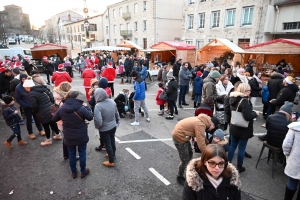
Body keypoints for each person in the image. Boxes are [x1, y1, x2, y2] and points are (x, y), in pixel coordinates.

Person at [53, 90, 93, 179]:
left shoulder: (62, 108)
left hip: (68, 135)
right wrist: (87, 108)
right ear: (76, 98)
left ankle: (74, 173)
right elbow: (90, 117)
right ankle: (83, 171)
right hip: (81, 135)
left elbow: (54, 118)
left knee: (72, 154)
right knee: (82, 153)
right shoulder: (81, 108)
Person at [172, 114, 215, 185]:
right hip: (179, 137)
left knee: (190, 153)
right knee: (185, 160)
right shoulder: (201, 125)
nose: (211, 130)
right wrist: (207, 155)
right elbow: (200, 143)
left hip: (183, 135)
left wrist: (208, 143)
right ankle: (179, 177)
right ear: (211, 124)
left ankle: (189, 169)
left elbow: (201, 136)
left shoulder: (203, 121)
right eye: (212, 128)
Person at [228, 83, 259, 172]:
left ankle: (228, 163)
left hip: (234, 125)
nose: (250, 92)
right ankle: (239, 166)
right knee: (241, 148)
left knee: (232, 146)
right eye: (248, 90)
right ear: (243, 91)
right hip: (243, 128)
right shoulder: (244, 101)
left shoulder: (233, 98)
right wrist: (255, 113)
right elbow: (248, 116)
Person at [27, 77, 60, 146]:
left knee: (45, 125)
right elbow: (51, 97)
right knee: (52, 123)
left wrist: (34, 112)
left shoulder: (32, 93)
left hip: (42, 111)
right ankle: (58, 135)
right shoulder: (43, 89)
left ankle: (48, 140)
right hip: (50, 108)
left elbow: (34, 105)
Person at [94, 88, 120, 167]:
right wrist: (117, 122)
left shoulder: (98, 106)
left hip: (104, 128)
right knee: (112, 140)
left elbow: (98, 120)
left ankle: (111, 161)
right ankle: (113, 154)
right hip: (113, 126)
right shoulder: (112, 101)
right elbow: (116, 113)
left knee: (107, 143)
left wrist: (98, 127)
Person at [15, 74, 45, 139]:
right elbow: (18, 99)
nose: (24, 80)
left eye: (25, 78)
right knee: (29, 120)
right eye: (23, 79)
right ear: (20, 79)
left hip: (34, 105)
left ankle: (40, 129)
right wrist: (25, 105)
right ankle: (30, 133)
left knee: (37, 118)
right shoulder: (18, 88)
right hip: (27, 107)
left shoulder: (31, 84)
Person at [53, 82, 72, 158]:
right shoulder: (64, 101)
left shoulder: (57, 97)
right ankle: (69, 154)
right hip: (65, 121)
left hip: (59, 121)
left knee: (66, 137)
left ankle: (66, 154)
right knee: (68, 138)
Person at [282, 121, 300, 200]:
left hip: (295, 161)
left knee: (292, 183)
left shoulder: (295, 127)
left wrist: (288, 156)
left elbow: (286, 145)